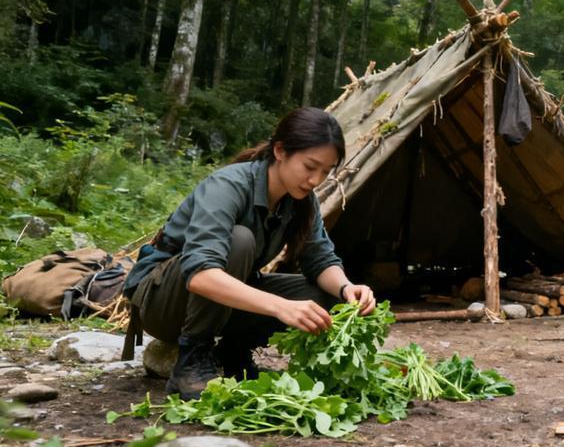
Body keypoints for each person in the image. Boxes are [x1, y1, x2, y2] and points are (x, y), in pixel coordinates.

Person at [123, 107, 377, 400]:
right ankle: (192, 358)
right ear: (280, 151)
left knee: (326, 296)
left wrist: (348, 288)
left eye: (325, 171)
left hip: (220, 304)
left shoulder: (301, 202)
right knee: (239, 240)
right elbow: (201, 276)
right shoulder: (228, 186)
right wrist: (280, 306)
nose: (315, 180)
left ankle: (231, 353)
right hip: (164, 305)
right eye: (310, 166)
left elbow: (320, 260)